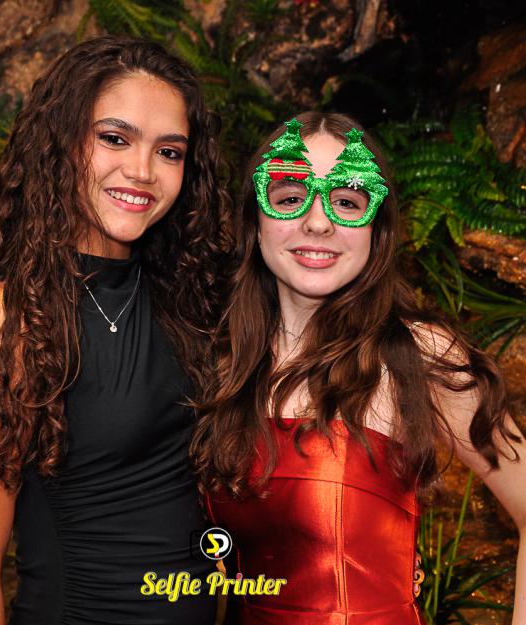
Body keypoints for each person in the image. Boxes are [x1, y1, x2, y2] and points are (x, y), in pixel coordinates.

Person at [0, 35, 231, 625]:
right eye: (114, 138)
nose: (141, 171)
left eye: (169, 151)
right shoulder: (14, 317)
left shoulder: (191, 295)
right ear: (61, 142)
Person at [191, 112, 526, 625]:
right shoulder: (221, 361)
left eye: (347, 201)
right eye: (290, 197)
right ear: (255, 223)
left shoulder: (419, 354)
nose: (318, 222)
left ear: (376, 229)